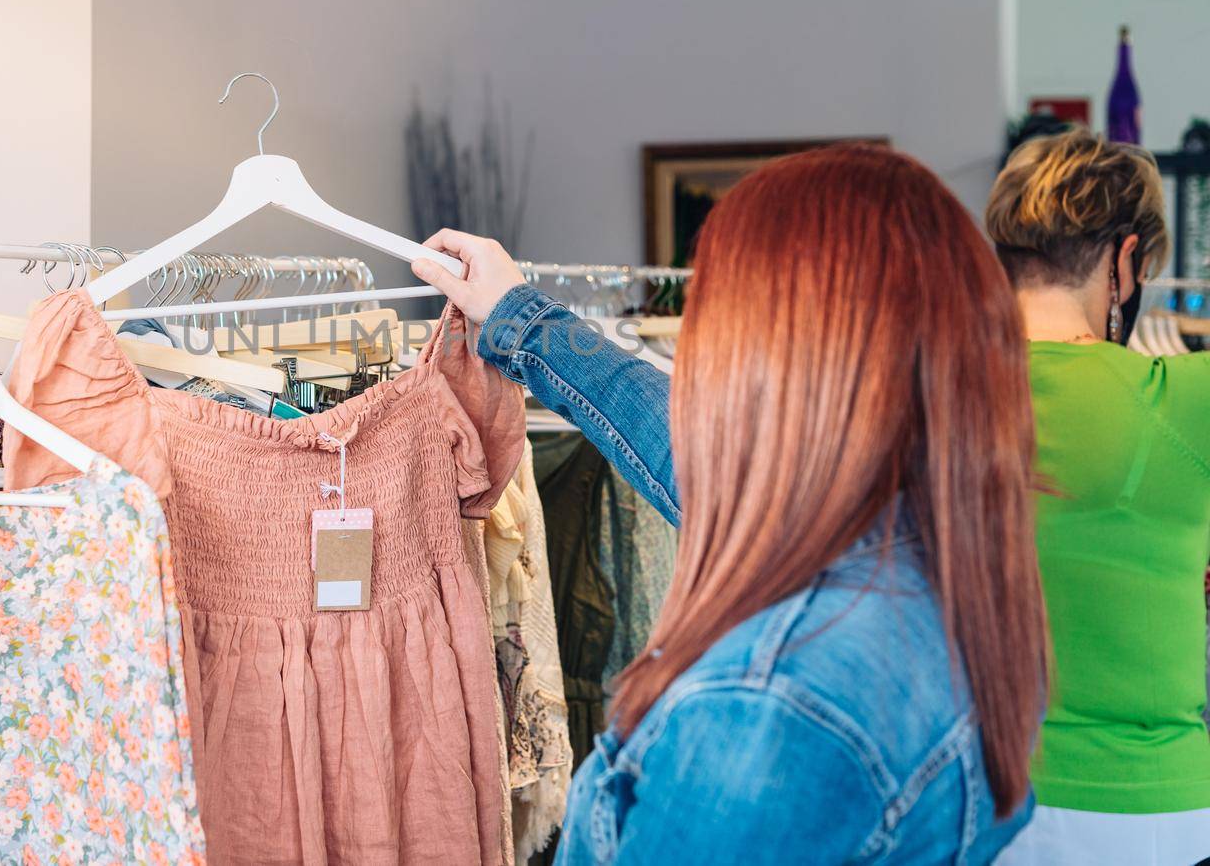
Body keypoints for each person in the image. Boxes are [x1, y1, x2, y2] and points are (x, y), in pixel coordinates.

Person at [412, 144, 1047, 863]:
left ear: (768, 363)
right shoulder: (929, 559)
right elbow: (672, 438)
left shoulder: (769, 708)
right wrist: (521, 320)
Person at [985, 129, 1210, 865]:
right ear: (1125, 261)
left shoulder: (933, 398)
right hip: (1152, 813)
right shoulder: (1181, 399)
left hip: (984, 801)